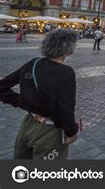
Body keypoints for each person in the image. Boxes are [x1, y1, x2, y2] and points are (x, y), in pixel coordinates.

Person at [0, 29, 80, 159]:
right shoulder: (66, 72)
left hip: (27, 126)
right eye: (74, 44)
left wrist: (23, 102)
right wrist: (71, 131)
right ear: (67, 48)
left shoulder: (34, 63)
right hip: (50, 132)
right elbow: (66, 108)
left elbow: (2, 87)